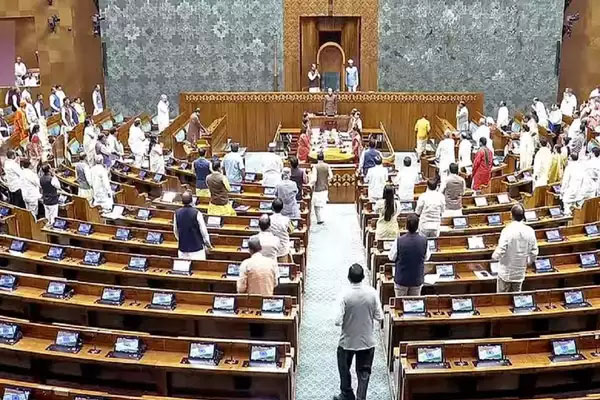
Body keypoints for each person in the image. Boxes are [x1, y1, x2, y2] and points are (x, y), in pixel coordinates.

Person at [334, 263, 383, 400]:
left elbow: (337, 321)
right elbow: (379, 316)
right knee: (364, 373)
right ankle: (361, 397)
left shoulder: (344, 295)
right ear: (363, 277)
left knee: (344, 367)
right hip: (367, 341)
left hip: (348, 341)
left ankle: (346, 394)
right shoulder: (372, 293)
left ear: (348, 277)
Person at [492, 204, 539, 292]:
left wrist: (494, 257)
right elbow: (534, 252)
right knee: (516, 297)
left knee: (502, 298)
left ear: (511, 215)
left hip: (506, 273)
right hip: (519, 273)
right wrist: (528, 262)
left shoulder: (507, 230)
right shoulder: (530, 231)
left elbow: (500, 250)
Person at [387, 213, 429, 296]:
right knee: (415, 303)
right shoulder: (424, 241)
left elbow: (391, 257)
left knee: (400, 303)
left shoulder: (399, 241)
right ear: (418, 226)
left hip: (401, 279)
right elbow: (426, 257)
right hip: (416, 279)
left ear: (406, 226)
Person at [173, 191, 212, 260]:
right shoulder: (197, 213)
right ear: (192, 201)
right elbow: (203, 231)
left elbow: (175, 231)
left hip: (183, 249)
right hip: (197, 250)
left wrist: (182, 240)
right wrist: (208, 244)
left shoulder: (176, 213)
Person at [310, 152, 332, 224]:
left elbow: (314, 179)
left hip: (317, 189)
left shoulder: (315, 167)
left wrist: (310, 184)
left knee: (316, 205)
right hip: (325, 188)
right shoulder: (327, 166)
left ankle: (319, 219)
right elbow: (331, 176)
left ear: (317, 158)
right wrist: (327, 181)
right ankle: (321, 218)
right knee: (322, 204)